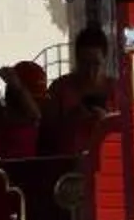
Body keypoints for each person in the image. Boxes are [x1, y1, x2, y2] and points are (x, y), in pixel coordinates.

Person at [41, 27, 115, 157]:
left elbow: (128, 132)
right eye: (85, 64)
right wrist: (71, 120)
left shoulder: (116, 89)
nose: (90, 72)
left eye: (96, 64)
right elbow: (45, 135)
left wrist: (106, 121)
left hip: (108, 159)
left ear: (105, 60)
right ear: (76, 60)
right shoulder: (60, 88)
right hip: (68, 162)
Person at [0, 62, 47, 160]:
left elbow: (35, 115)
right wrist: (17, 86)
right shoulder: (1, 118)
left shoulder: (34, 119)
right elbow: (35, 115)